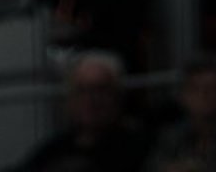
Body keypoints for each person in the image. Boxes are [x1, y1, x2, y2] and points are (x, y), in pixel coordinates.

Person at [16, 50, 146, 170]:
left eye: (100, 90)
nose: (91, 99)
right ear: (70, 99)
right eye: (82, 90)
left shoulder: (140, 150)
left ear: (117, 95)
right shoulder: (53, 152)